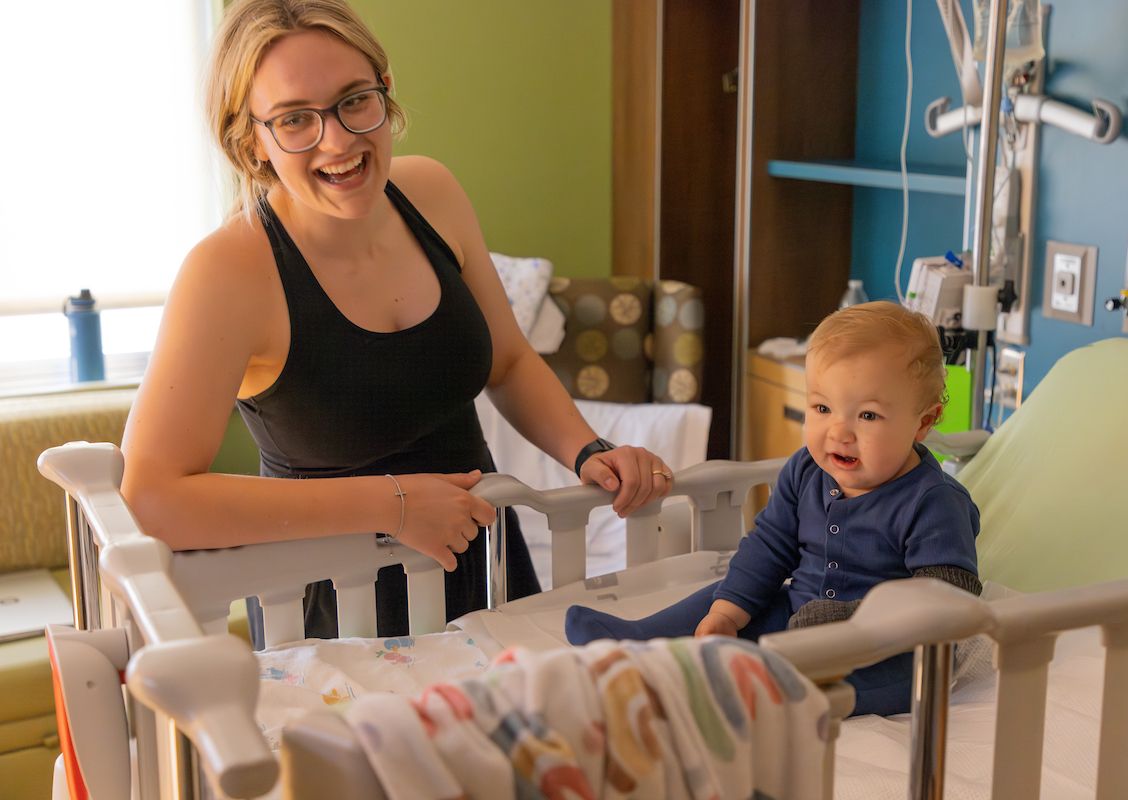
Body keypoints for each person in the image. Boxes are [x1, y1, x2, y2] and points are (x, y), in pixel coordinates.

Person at [120, 0, 674, 645]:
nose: (339, 140)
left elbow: (509, 361)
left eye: (355, 100)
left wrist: (589, 452)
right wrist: (395, 504)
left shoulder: (431, 193)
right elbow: (151, 498)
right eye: (296, 119)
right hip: (337, 605)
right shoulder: (227, 272)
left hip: (484, 565)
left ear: (386, 92)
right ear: (252, 141)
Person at [565, 301, 982, 716]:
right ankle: (638, 639)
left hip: (891, 651)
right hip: (798, 613)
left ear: (924, 422)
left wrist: (851, 622)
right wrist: (727, 613)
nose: (839, 432)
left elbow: (947, 597)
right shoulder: (805, 469)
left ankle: (750, 685)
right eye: (822, 408)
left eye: (868, 415)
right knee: (732, 593)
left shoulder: (933, 501)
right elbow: (770, 546)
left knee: (844, 680)